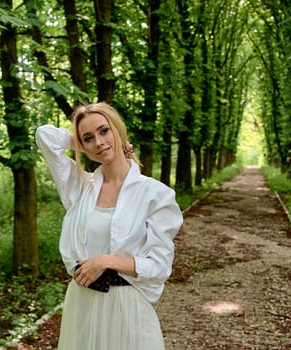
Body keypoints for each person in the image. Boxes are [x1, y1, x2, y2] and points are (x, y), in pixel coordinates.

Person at [35, 102, 183, 350]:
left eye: (105, 131)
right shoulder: (80, 186)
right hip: (82, 303)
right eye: (89, 138)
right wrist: (82, 144)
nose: (99, 142)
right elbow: (44, 136)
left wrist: (105, 261)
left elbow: (159, 266)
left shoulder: (155, 194)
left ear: (118, 129)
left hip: (126, 307)